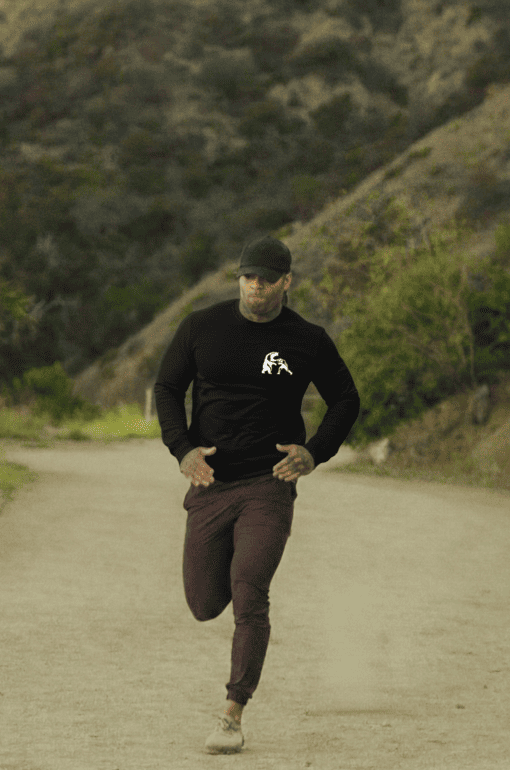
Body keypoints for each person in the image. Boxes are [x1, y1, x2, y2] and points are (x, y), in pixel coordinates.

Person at [154, 235, 360, 754]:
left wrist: (314, 452)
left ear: (286, 282)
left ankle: (232, 713)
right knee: (204, 603)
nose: (256, 287)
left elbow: (345, 399)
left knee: (250, 592)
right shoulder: (203, 327)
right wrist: (182, 449)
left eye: (267, 280)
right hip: (211, 486)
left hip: (269, 486)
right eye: (248, 277)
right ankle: (236, 565)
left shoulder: (306, 339)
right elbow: (166, 388)